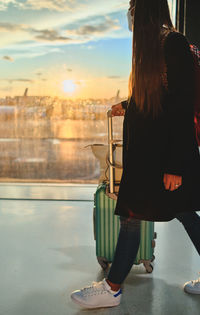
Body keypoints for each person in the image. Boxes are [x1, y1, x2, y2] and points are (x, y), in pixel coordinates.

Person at [71, 0, 200, 308]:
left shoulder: (173, 42)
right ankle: (113, 286)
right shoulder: (151, 46)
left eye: (133, 5)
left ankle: (113, 287)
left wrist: (175, 166)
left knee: (131, 215)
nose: (129, 11)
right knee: (182, 215)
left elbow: (181, 105)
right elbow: (158, 93)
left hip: (162, 157)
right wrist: (128, 105)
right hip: (148, 154)